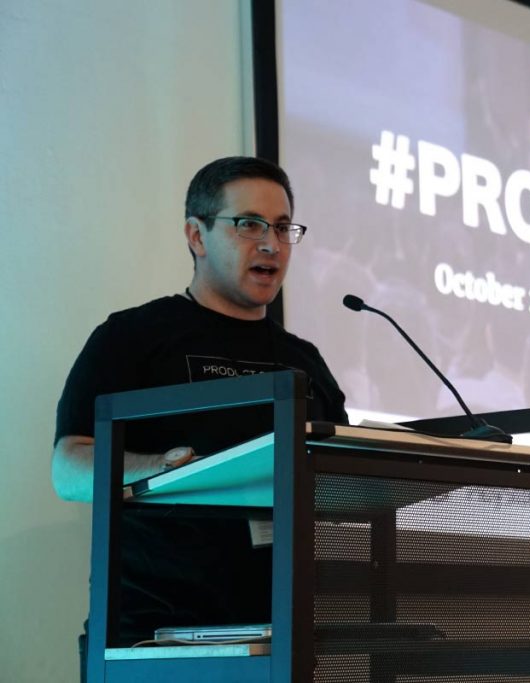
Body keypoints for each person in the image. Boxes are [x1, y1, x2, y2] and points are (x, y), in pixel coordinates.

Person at [51, 157, 349, 673]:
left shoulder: (306, 360)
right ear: (196, 235)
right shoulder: (132, 337)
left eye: (282, 227)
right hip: (155, 641)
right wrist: (161, 469)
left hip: (286, 636)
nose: (271, 244)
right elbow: (69, 469)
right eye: (249, 224)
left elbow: (339, 477)